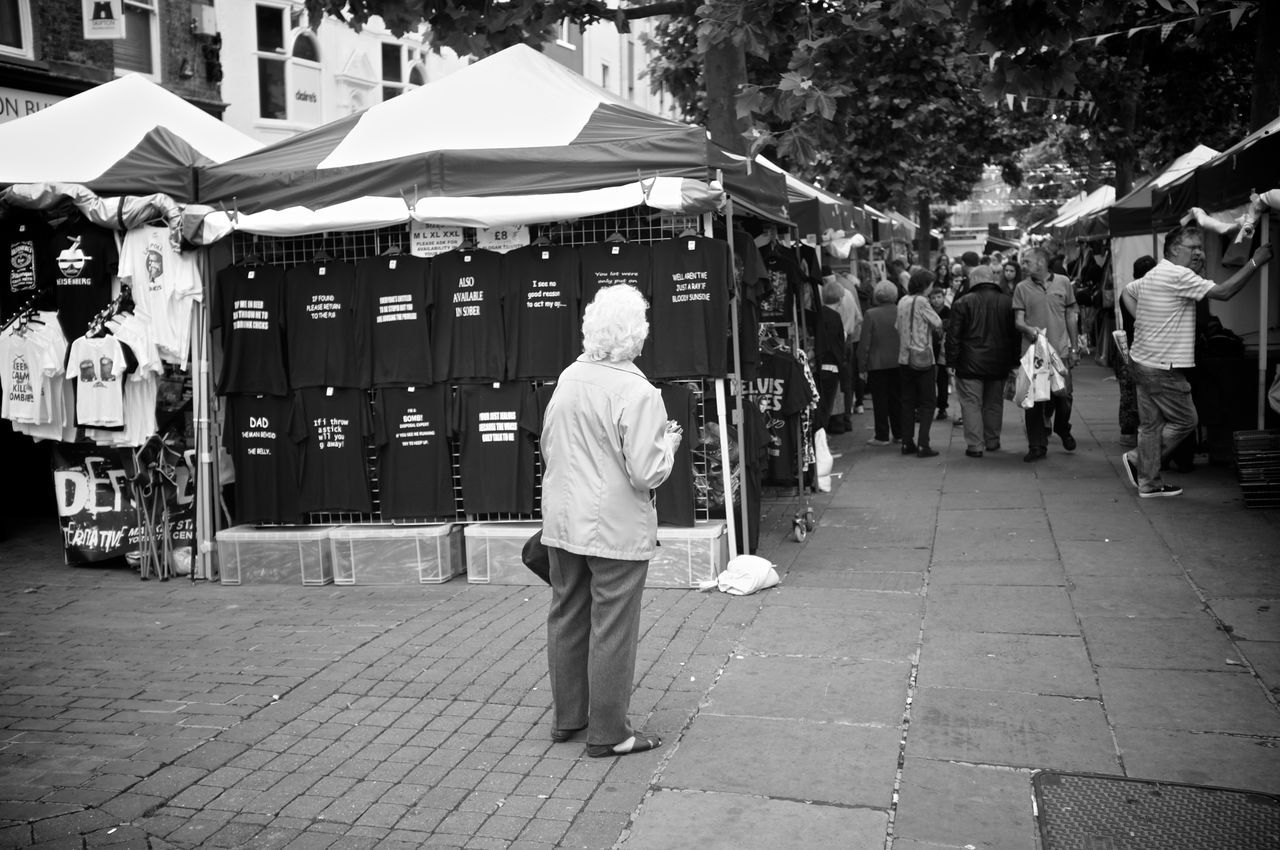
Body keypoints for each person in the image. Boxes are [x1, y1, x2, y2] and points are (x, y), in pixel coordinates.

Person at [539, 284, 682, 757]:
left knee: (567, 614)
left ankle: (569, 719)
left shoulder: (568, 377)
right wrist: (670, 446)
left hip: (563, 520)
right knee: (612, 626)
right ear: (637, 334)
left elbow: (548, 446)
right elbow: (647, 472)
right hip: (614, 527)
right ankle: (608, 733)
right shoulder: (638, 391)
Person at [1120, 226, 1273, 498]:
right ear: (1174, 250)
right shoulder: (1177, 274)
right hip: (1161, 367)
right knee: (1185, 420)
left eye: (1201, 248)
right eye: (1194, 247)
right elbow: (1225, 292)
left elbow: (1127, 293)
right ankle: (1137, 460)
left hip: (1142, 360)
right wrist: (1256, 260)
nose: (1200, 253)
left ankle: (1149, 484)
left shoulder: (1157, 273)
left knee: (1151, 425)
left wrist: (1144, 323)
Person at [946, 259, 1019, 457]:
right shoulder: (1008, 302)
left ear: (975, 279)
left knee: (971, 403)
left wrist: (951, 362)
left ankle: (975, 446)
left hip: (969, 363)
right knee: (994, 403)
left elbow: (954, 337)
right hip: (999, 362)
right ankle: (993, 441)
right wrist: (1014, 362)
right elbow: (1015, 335)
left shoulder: (963, 302)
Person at [1013, 247, 1079, 462]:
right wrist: (1028, 329)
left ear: (1041, 262)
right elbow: (1018, 321)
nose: (1022, 265)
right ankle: (1037, 446)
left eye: (1026, 261)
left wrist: (1075, 347)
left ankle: (1061, 427)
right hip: (1034, 353)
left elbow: (1071, 315)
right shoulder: (1022, 288)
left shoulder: (1063, 283)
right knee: (1033, 402)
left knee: (1064, 397)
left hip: (1060, 351)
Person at [895, 268, 943, 457]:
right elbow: (937, 322)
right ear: (925, 285)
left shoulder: (902, 301)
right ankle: (924, 444)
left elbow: (897, 326)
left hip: (904, 358)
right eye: (931, 284)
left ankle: (907, 443)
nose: (932, 288)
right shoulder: (922, 301)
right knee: (928, 402)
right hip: (922, 357)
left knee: (907, 401)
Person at [858, 281, 903, 446]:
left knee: (880, 401)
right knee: (897, 399)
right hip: (899, 361)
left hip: (877, 363)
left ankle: (882, 435)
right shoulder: (901, 311)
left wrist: (861, 366)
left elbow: (864, 344)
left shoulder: (870, 314)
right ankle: (899, 433)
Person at [825, 271, 863, 432]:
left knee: (833, 383)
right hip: (847, 341)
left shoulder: (824, 312)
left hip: (832, 347)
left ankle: (836, 420)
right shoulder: (848, 292)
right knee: (846, 383)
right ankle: (846, 419)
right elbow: (859, 318)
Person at [928, 286, 951, 420]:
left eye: (939, 297)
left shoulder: (948, 311)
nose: (936, 300)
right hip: (930, 348)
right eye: (933, 298)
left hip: (943, 350)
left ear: (943, 298)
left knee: (942, 380)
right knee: (930, 380)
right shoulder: (928, 311)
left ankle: (942, 407)